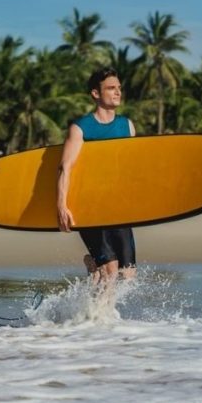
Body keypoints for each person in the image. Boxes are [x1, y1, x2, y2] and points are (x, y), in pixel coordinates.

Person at [57, 67, 138, 283]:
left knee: (127, 274)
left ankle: (100, 309)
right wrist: (62, 206)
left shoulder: (127, 126)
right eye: (111, 88)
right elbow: (66, 167)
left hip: (118, 206)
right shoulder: (81, 128)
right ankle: (95, 317)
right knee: (110, 270)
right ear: (95, 94)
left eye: (119, 88)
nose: (117, 92)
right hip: (89, 204)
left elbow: (132, 168)